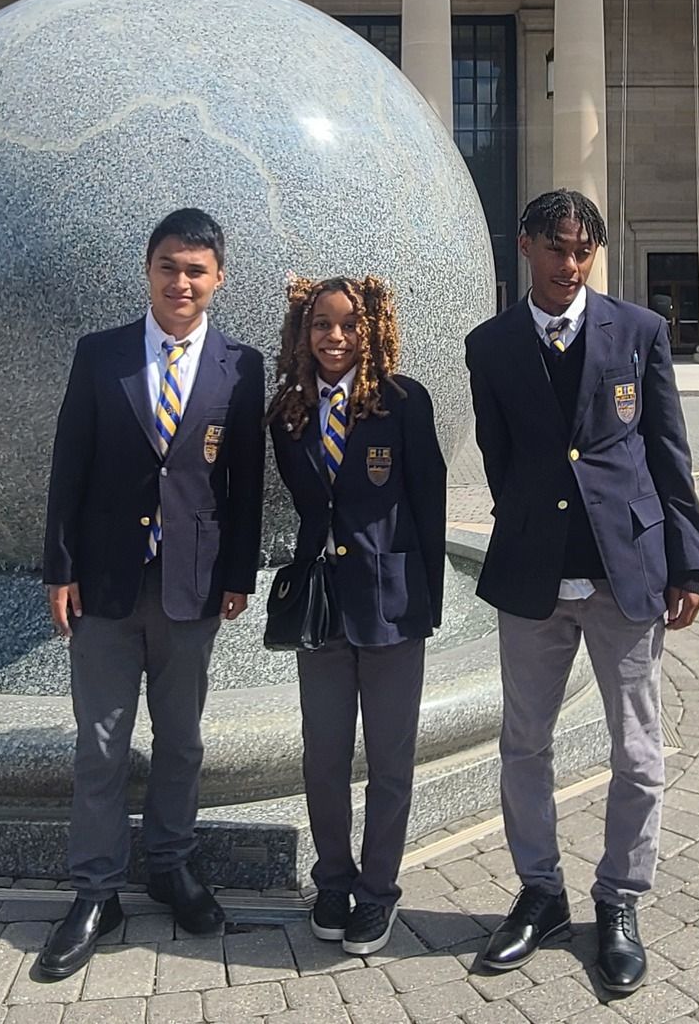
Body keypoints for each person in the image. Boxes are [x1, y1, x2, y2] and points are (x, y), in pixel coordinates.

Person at [465, 189, 699, 995]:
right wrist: (535, 520)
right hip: (532, 574)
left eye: (583, 251)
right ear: (526, 246)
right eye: (556, 247)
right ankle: (539, 890)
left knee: (637, 751)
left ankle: (618, 899)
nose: (569, 265)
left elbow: (666, 449)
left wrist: (688, 560)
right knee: (522, 745)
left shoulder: (638, 332)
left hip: (625, 571)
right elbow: (498, 459)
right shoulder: (490, 344)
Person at [36, 208, 265, 981]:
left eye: (196, 270)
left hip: (190, 586)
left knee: (181, 738)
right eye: (169, 266)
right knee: (99, 743)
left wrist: (237, 574)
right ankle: (95, 891)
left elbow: (242, 483)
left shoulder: (241, 366)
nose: (181, 282)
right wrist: (57, 568)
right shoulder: (100, 356)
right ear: (148, 270)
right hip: (103, 582)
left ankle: (169, 864)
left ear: (218, 279)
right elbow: (68, 467)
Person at [267, 276, 447, 956]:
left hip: (394, 602)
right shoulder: (286, 411)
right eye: (320, 323)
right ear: (302, 331)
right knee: (323, 755)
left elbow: (426, 505)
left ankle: (376, 893)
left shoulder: (403, 403)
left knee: (391, 759)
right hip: (322, 604)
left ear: (372, 328)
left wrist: (428, 596)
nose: (334, 336)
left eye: (348, 323)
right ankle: (333, 880)